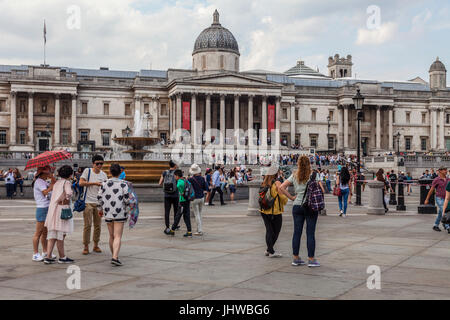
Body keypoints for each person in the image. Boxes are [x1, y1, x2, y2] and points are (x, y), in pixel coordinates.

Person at [280, 155, 320, 267]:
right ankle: (311, 259)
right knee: (310, 233)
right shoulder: (313, 175)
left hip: (297, 205)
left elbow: (281, 187)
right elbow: (319, 189)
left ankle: (296, 258)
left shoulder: (294, 175)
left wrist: (292, 197)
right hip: (310, 206)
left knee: (297, 232)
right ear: (309, 163)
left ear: (298, 163)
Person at [97, 164, 131, 266]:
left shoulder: (104, 184)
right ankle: (115, 257)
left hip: (108, 212)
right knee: (118, 236)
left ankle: (114, 255)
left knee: (111, 236)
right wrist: (129, 208)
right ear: (120, 172)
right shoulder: (124, 184)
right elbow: (126, 199)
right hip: (120, 212)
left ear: (110, 172)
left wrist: (100, 209)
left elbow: (99, 198)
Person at [44, 165, 75, 264]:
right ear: (70, 174)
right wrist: (66, 199)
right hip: (62, 209)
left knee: (52, 234)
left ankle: (48, 256)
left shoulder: (57, 182)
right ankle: (62, 257)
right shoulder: (67, 182)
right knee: (61, 234)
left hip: (53, 210)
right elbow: (69, 193)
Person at [79, 155, 108, 255]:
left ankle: (96, 245)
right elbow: (81, 183)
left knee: (98, 225)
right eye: (97, 163)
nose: (99, 165)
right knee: (87, 225)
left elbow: (105, 190)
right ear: (93, 164)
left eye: (101, 163)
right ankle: (86, 246)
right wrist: (94, 183)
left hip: (99, 203)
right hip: (88, 202)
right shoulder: (88, 171)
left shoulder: (104, 175)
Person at [259, 165, 288, 258]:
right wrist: (287, 197)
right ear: (276, 173)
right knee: (275, 232)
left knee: (269, 230)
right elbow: (283, 199)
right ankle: (271, 251)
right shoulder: (277, 183)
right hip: (274, 211)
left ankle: (269, 250)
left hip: (263, 210)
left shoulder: (264, 182)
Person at [32, 166, 56, 262]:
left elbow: (53, 185)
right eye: (47, 173)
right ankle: (35, 253)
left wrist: (52, 178)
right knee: (38, 232)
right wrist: (51, 186)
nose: (48, 174)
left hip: (47, 207)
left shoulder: (44, 181)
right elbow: (45, 192)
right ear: (43, 173)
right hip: (42, 208)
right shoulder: (39, 181)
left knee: (45, 232)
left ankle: (45, 251)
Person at [168, 169, 192, 237]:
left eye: (175, 176)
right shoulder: (185, 180)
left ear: (177, 176)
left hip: (182, 201)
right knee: (186, 216)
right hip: (187, 200)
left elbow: (178, 187)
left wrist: (181, 192)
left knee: (178, 216)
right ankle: (189, 231)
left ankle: (172, 230)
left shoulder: (179, 182)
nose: (174, 177)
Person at [425, 167, 450, 232]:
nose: (446, 171)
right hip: (439, 198)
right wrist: (427, 199)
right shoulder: (436, 180)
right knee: (444, 210)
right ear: (440, 171)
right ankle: (447, 227)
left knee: (440, 213)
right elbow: (431, 190)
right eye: (444, 170)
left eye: (446, 170)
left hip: (446, 199)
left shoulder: (448, 179)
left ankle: (435, 225)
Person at [159, 160, 179, 234]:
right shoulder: (177, 172)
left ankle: (167, 227)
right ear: (174, 166)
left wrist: (166, 187)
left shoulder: (164, 172)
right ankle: (175, 226)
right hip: (175, 195)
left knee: (167, 211)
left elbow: (160, 183)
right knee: (176, 211)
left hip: (167, 195)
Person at [188, 164, 208, 236]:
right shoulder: (202, 178)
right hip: (202, 198)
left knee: (196, 214)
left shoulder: (190, 179)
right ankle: (200, 229)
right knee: (200, 213)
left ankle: (199, 230)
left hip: (194, 198)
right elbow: (206, 188)